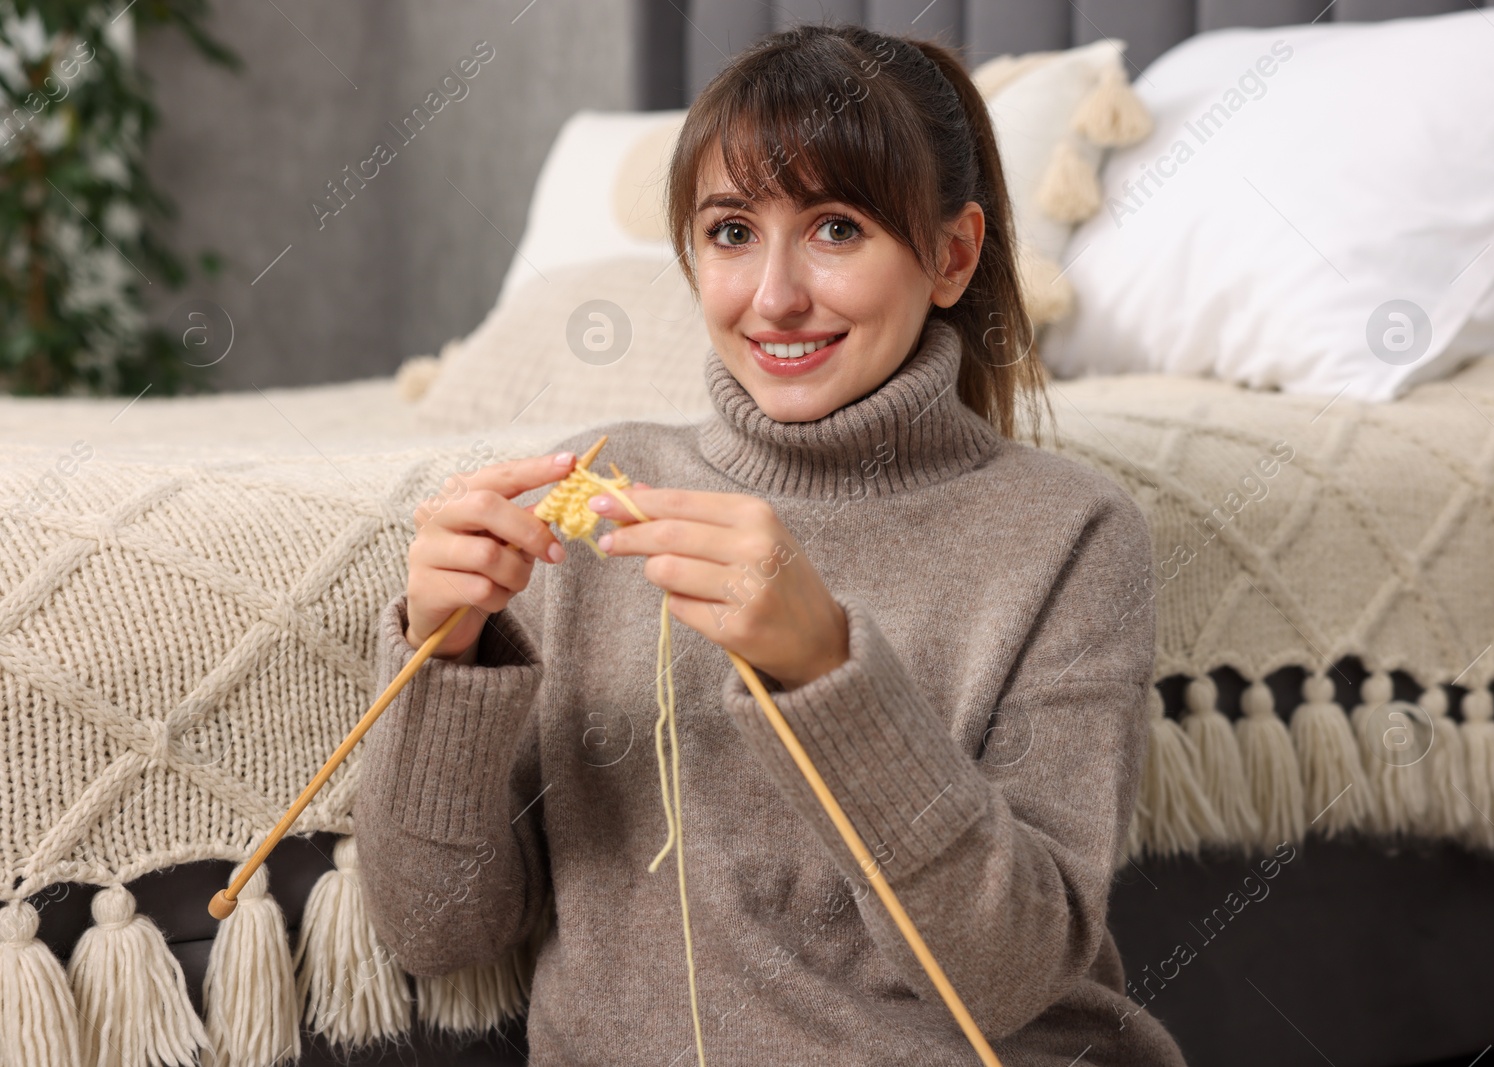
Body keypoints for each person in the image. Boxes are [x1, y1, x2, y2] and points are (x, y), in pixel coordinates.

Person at [353, 22, 1188, 1067]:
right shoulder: (594, 492)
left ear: (950, 255)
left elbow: (1009, 972)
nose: (774, 296)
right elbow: (439, 932)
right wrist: (446, 655)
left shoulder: (1070, 533)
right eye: (732, 232)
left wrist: (825, 670)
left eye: (837, 229)